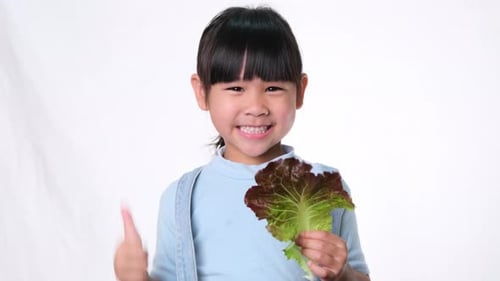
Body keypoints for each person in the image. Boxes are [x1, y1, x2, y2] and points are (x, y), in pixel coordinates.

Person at [114, 6, 370, 281]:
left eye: (273, 88)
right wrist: (135, 278)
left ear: (300, 91)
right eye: (236, 88)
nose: (256, 107)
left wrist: (343, 273)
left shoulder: (324, 187)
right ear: (202, 92)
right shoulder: (180, 199)